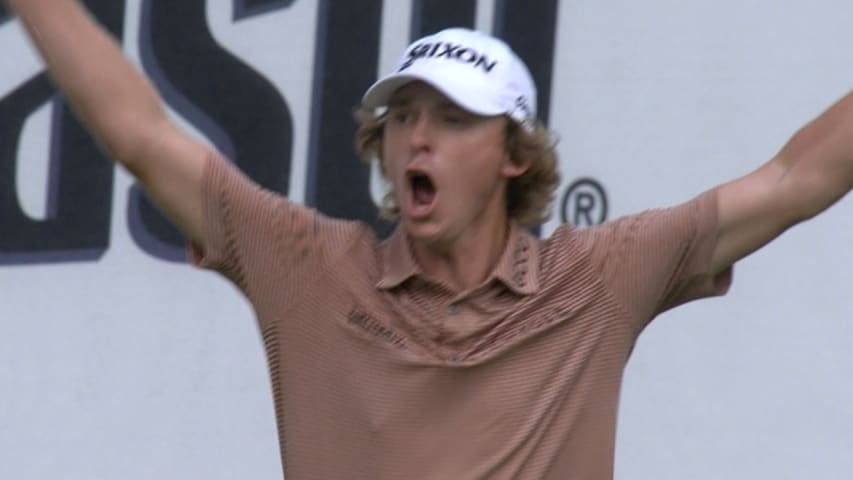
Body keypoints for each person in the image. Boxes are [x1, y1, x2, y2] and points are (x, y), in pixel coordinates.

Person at [6, 1, 851, 479]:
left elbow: (793, 178)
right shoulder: (305, 266)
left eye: (451, 119)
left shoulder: (598, 277)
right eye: (403, 116)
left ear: (514, 157)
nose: (417, 136)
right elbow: (143, 137)